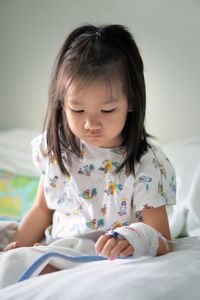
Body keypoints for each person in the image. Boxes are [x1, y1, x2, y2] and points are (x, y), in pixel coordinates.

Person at [4, 24, 176, 266]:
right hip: (53, 245)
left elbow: (162, 239)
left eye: (107, 110)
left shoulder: (148, 165)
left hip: (103, 257)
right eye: (78, 109)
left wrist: (136, 239)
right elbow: (42, 210)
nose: (90, 123)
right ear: (62, 103)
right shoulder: (56, 149)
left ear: (131, 103)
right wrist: (17, 248)